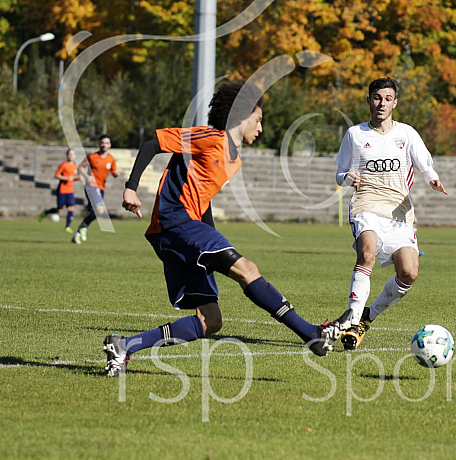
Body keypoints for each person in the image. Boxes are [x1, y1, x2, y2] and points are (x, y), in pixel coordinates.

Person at [102, 82, 342, 377]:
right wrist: (131, 188)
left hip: (185, 231)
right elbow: (154, 142)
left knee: (209, 321)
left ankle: (124, 345)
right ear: (241, 117)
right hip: (174, 221)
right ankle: (311, 334)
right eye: (259, 120)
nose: (261, 128)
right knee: (248, 270)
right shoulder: (210, 137)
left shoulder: (234, 160)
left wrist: (215, 242)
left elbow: (203, 197)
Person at [333, 77, 448, 350]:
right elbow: (339, 174)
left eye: (387, 98)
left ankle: (366, 317)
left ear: (394, 103)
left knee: (408, 273)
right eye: (376, 97)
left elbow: (425, 164)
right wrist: (348, 176)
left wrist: (433, 179)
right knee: (367, 254)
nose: (381, 103)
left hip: (399, 211)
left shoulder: (406, 134)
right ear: (369, 100)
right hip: (366, 205)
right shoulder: (355, 134)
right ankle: (350, 319)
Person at [72, 135, 120, 244]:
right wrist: (87, 176)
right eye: (102, 142)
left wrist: (116, 174)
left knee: (94, 212)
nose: (104, 145)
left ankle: (80, 231)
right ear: (99, 144)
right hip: (91, 186)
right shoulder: (92, 156)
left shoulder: (111, 159)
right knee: (100, 210)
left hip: (101, 188)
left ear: (110, 145)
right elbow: (81, 167)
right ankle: (83, 228)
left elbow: (113, 172)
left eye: (107, 143)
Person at [39, 148, 81, 232]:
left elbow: (71, 178)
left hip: (70, 190)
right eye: (69, 154)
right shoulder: (64, 165)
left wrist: (77, 179)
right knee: (59, 210)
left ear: (75, 156)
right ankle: (46, 212)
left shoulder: (75, 166)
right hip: (62, 190)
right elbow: (57, 175)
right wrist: (66, 178)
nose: (71, 156)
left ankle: (67, 226)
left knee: (71, 208)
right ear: (67, 155)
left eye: (72, 154)